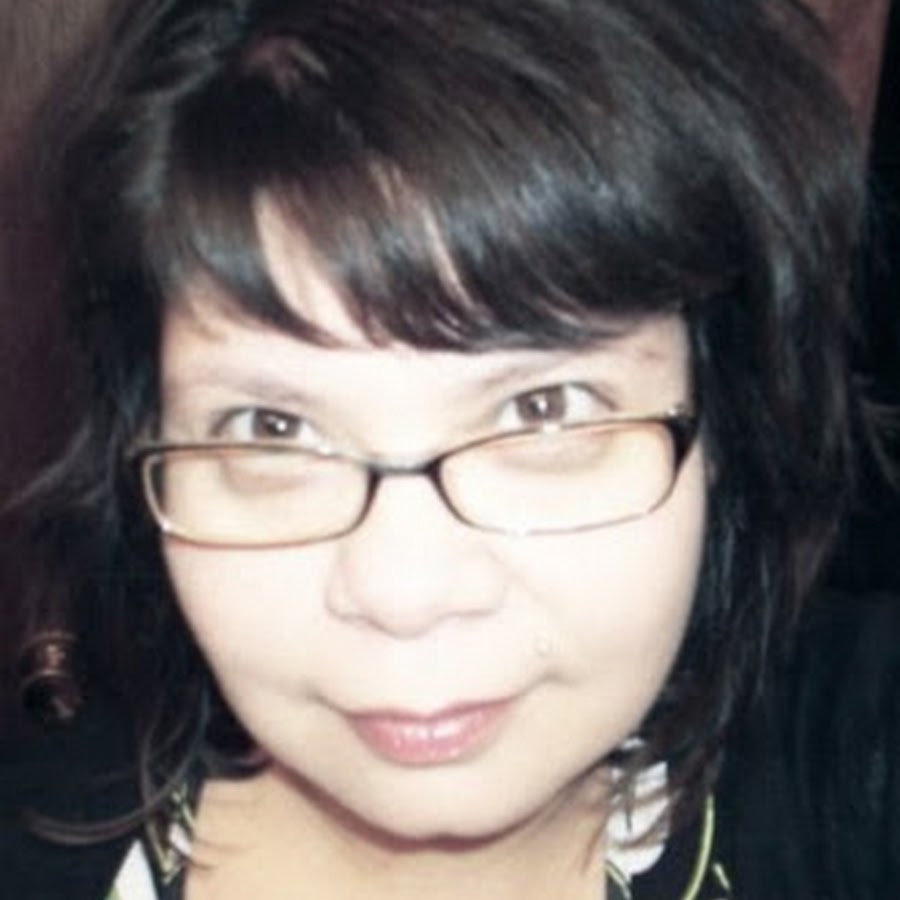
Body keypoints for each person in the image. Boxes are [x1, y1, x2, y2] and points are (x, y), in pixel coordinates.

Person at [2, 0, 896, 898]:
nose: (406, 596)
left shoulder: (847, 778)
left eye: (542, 410)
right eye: (272, 429)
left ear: (721, 414)